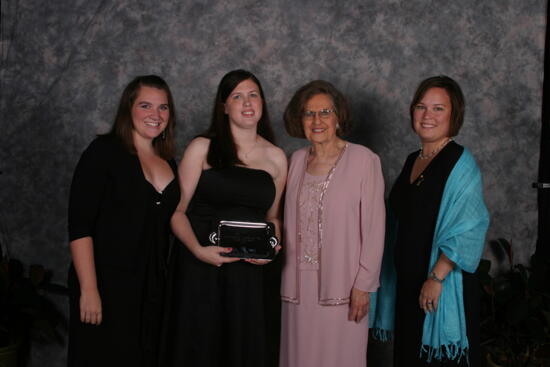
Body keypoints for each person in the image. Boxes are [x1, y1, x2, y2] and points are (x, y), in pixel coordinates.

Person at [162, 69, 287, 367]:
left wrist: (271, 250)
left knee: (242, 349)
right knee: (201, 346)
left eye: (253, 94)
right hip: (200, 266)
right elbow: (177, 211)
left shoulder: (277, 157)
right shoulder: (202, 147)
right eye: (237, 96)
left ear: (263, 103)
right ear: (224, 106)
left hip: (248, 274)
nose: (247, 102)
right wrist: (198, 250)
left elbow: (274, 218)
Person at [370, 76, 490, 366]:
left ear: (454, 114)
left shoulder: (461, 163)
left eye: (438, 108)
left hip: (440, 283)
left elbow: (470, 228)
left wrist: (436, 277)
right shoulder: (413, 159)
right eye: (421, 107)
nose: (428, 115)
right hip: (408, 284)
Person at [67, 75, 180, 366]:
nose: (155, 115)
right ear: (128, 108)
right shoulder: (103, 152)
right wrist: (89, 290)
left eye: (163, 108)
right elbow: (80, 226)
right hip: (106, 283)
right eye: (146, 105)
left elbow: (177, 222)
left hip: (152, 288)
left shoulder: (169, 161)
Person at [279, 80, 386, 367]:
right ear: (299, 119)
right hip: (297, 286)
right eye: (308, 113)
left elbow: (375, 230)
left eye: (325, 112)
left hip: (344, 285)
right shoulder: (296, 160)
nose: (317, 121)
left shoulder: (364, 160)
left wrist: (363, 285)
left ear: (338, 117)